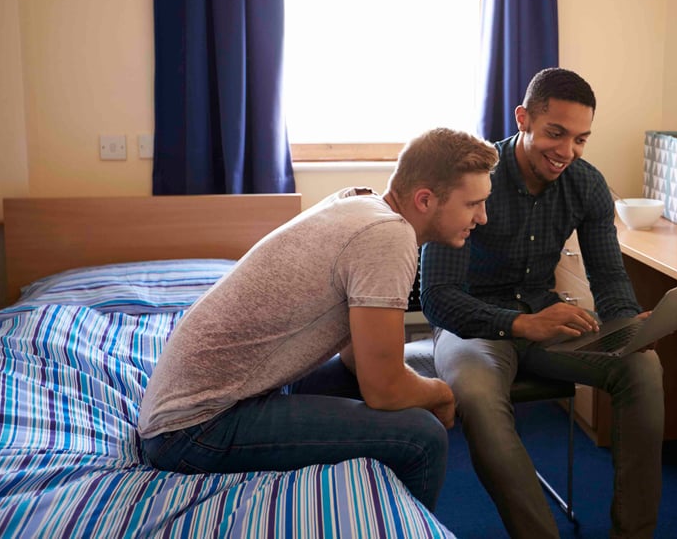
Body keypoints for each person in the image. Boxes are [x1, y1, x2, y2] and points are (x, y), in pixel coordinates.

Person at [137, 128, 499, 511]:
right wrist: (442, 394)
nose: (483, 217)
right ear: (425, 199)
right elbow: (385, 390)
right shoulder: (388, 237)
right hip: (191, 430)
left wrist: (408, 388)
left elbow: (356, 362)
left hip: (185, 408)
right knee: (423, 435)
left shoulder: (356, 201)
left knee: (380, 383)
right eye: (473, 204)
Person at [420, 67, 665, 538]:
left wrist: (629, 326)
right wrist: (519, 324)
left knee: (644, 367)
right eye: (556, 133)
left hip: (547, 321)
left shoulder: (587, 184)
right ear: (523, 120)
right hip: (472, 327)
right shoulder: (468, 177)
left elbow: (609, 275)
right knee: (476, 396)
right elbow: (438, 297)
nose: (567, 152)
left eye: (580, 139)